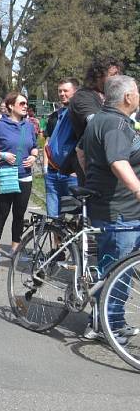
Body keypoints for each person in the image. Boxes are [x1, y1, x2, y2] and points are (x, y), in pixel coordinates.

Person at [76, 75, 140, 344]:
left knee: (110, 267)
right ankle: (109, 325)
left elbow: (80, 151)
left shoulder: (100, 120)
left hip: (107, 204)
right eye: (137, 91)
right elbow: (117, 162)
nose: (138, 95)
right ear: (127, 97)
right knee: (118, 269)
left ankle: (104, 321)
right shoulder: (115, 124)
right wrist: (137, 189)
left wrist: (93, 176)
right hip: (120, 208)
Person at [0, 92, 39, 264]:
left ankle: (15, 248)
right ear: (11, 106)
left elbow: (34, 146)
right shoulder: (0, 126)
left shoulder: (28, 127)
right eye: (21, 103)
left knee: (19, 215)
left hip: (25, 177)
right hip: (4, 177)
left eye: (26, 104)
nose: (25, 106)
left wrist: (34, 157)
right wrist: (2, 155)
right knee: (2, 214)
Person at [68, 56, 123, 180]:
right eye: (113, 74)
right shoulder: (83, 96)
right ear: (98, 76)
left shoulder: (113, 96)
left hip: (116, 163)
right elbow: (97, 123)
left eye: (119, 74)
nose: (118, 78)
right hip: (94, 168)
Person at [43, 78, 80, 217]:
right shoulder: (54, 116)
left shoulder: (78, 114)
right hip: (52, 174)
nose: (62, 94)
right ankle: (57, 240)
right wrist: (46, 169)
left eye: (66, 91)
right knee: (53, 218)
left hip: (71, 175)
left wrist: (77, 171)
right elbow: (48, 142)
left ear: (75, 92)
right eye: (60, 91)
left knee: (74, 218)